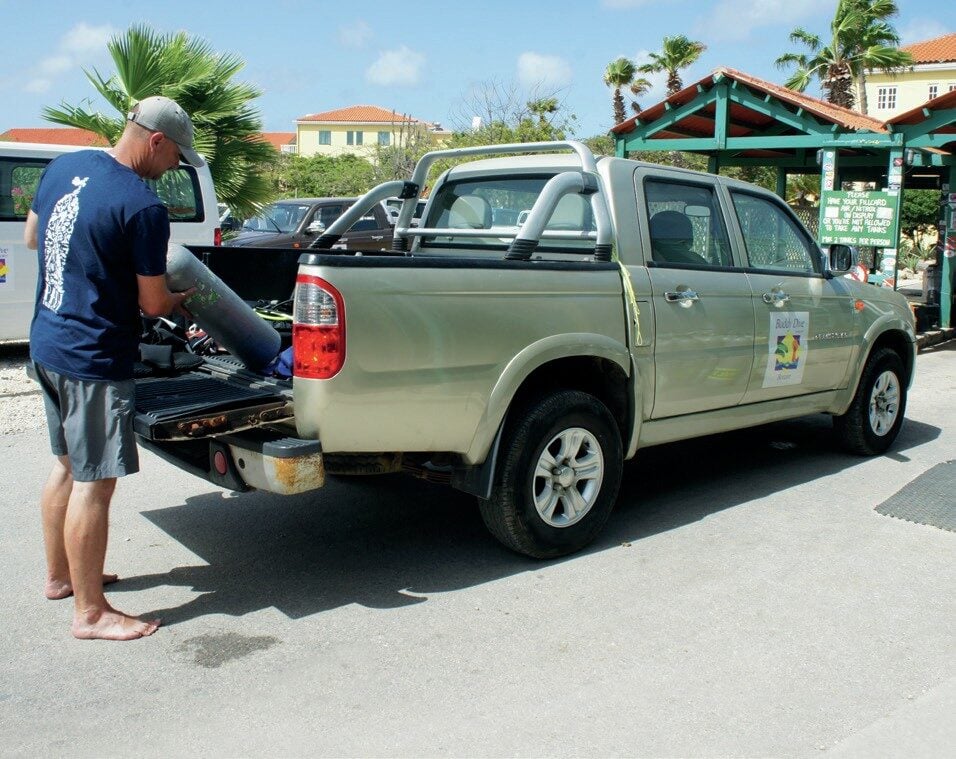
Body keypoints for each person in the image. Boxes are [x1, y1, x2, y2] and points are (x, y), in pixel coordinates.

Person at [24, 95, 202, 641]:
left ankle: (62, 578)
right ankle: (92, 613)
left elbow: (34, 237)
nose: (175, 167)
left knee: (66, 467)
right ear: (156, 140)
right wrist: (187, 299)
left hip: (47, 342)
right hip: (93, 359)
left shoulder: (64, 166)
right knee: (95, 483)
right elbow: (153, 305)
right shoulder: (141, 205)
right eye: (177, 156)